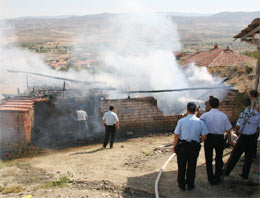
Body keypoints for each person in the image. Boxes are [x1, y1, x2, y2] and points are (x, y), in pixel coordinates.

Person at [173, 102, 208, 191]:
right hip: (194, 146)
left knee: (181, 166)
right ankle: (190, 184)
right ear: (196, 110)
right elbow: (204, 136)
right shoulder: (200, 122)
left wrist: (174, 145)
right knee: (192, 166)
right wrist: (198, 141)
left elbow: (176, 135)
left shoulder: (181, 121)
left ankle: (181, 185)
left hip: (182, 146)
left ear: (187, 110)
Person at [225, 97, 260, 179]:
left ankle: (226, 171)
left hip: (243, 137)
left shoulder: (244, 114)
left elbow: (238, 126)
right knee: (249, 157)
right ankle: (245, 174)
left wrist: (236, 132)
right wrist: (255, 134)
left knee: (235, 155)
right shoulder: (257, 114)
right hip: (252, 137)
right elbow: (258, 128)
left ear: (244, 104)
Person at [200, 97, 232, 185]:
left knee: (208, 158)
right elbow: (228, 130)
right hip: (219, 139)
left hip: (208, 138)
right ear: (219, 105)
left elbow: (200, 127)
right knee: (219, 158)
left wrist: (201, 138)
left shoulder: (204, 116)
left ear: (209, 105)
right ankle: (217, 178)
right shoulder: (223, 116)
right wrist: (229, 141)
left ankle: (210, 178)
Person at [249, 90, 259, 159]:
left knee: (250, 140)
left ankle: (250, 155)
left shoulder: (253, 103)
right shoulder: (258, 102)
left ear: (251, 95)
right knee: (254, 139)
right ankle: (253, 154)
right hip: (257, 124)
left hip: (253, 124)